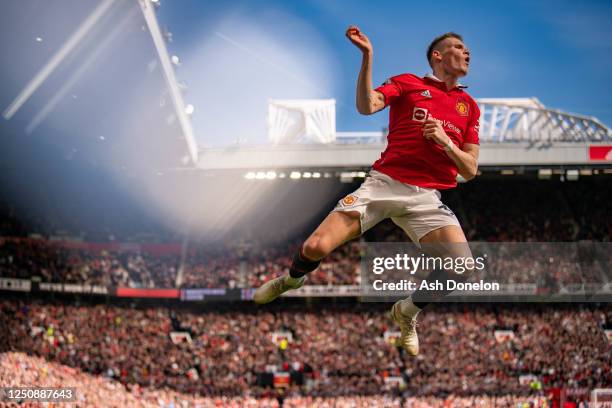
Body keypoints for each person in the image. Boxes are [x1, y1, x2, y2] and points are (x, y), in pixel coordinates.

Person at [254, 26, 481, 356]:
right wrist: (367, 57)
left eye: (467, 49)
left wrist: (446, 143)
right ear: (438, 55)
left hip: (425, 196)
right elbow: (367, 105)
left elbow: (470, 169)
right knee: (315, 246)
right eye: (458, 47)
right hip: (383, 183)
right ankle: (290, 281)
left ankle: (407, 311)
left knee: (463, 272)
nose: (466, 52)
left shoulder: (468, 106)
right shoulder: (408, 83)